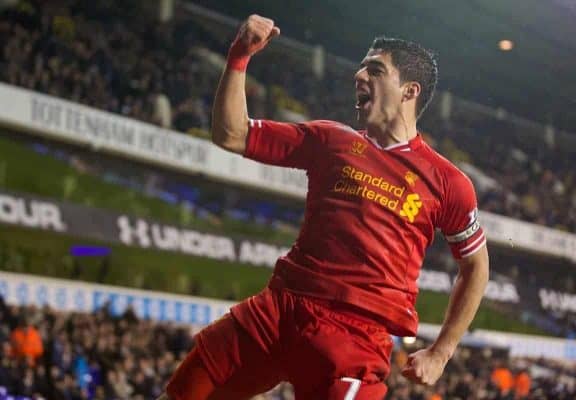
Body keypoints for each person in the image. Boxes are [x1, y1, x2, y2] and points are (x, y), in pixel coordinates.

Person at [159, 14, 489, 400]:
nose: (359, 76)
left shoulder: (449, 183)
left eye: (375, 70)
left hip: (354, 337)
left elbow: (476, 266)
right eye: (362, 67)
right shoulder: (330, 140)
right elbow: (232, 134)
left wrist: (442, 352)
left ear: (409, 91)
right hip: (278, 311)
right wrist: (238, 58)